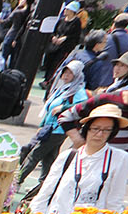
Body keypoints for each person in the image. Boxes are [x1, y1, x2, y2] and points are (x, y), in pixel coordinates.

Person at [31, 103, 128, 214]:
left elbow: (115, 200)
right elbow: (45, 192)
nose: (99, 134)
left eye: (107, 130)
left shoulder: (120, 158)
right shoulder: (67, 156)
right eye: (95, 128)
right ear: (86, 129)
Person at [19, 59, 87, 190]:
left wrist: (63, 108)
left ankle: (17, 180)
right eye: (64, 73)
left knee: (35, 154)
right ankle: (45, 185)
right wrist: (42, 124)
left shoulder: (78, 92)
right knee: (49, 157)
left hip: (60, 128)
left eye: (70, 73)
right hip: (51, 127)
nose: (66, 76)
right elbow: (50, 108)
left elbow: (82, 106)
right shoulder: (62, 89)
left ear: (77, 75)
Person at [69, 68, 128, 155]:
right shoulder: (105, 99)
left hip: (118, 161)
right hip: (86, 156)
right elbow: (67, 115)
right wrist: (77, 139)